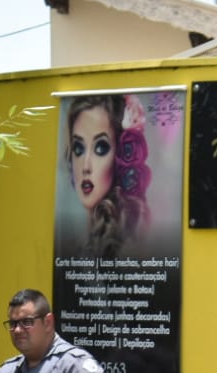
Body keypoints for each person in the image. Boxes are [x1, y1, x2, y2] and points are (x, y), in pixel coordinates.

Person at [63, 93, 152, 260]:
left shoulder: (130, 248)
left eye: (100, 148)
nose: (86, 166)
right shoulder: (75, 248)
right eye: (78, 149)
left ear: (120, 155)